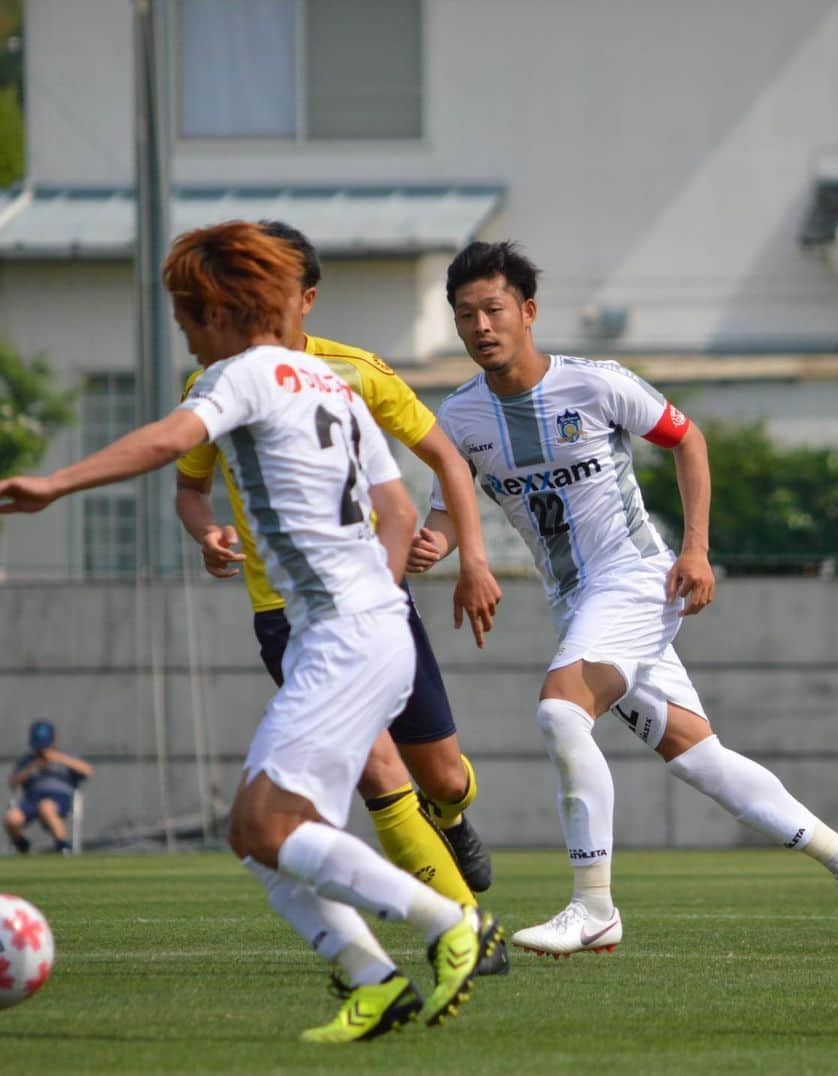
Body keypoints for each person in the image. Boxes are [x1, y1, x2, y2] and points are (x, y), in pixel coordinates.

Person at [0, 221, 502, 1042]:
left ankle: (450, 923)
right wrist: (364, 601)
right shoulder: (331, 382)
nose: (189, 339)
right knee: (253, 832)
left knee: (270, 827)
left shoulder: (239, 373)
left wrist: (56, 481)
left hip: (341, 636)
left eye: (191, 320)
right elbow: (401, 509)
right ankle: (372, 978)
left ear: (227, 312)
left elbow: (171, 441)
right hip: (364, 627)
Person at [409, 240, 838, 956]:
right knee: (702, 761)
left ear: (528, 312)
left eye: (493, 309)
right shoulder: (462, 419)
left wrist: (695, 549)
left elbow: (686, 440)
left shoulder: (596, 384)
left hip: (635, 579)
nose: (480, 326)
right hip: (575, 603)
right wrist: (431, 547)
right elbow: (450, 512)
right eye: (465, 314)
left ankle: (593, 905)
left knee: (559, 712)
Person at [174, 221, 502, 919]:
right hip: (285, 614)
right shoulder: (213, 381)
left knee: (440, 776)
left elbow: (445, 461)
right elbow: (188, 486)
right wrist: (207, 534)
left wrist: (465, 554)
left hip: (373, 607)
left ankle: (452, 822)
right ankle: (464, 932)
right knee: (377, 772)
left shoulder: (354, 372)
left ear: (307, 298)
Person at [5, 720, 93, 855]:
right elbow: (12, 784)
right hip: (32, 798)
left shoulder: (66, 755)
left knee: (46, 807)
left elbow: (87, 771)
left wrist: (59, 759)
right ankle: (22, 844)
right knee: (12, 818)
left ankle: (62, 846)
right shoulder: (28, 760)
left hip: (59, 797)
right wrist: (33, 767)